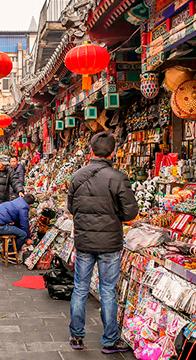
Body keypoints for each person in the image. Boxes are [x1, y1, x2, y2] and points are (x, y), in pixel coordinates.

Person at [67, 132, 138, 353]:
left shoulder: (78, 176)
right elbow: (130, 213)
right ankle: (109, 341)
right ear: (113, 152)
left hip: (85, 242)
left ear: (91, 151)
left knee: (80, 288)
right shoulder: (118, 177)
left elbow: (71, 208)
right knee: (108, 290)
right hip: (109, 243)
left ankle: (76, 337)